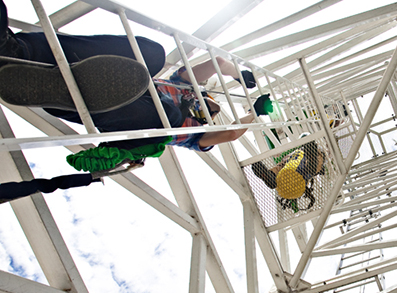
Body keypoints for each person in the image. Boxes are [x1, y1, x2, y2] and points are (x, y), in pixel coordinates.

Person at [0, 0, 271, 171]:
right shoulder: (181, 86)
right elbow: (218, 62)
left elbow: (230, 134)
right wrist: (238, 74)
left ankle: (56, 88)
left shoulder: (193, 136)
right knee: (153, 55)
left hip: (115, 112)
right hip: (109, 78)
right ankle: (18, 51)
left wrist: (255, 114)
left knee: (170, 118)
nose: (210, 108)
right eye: (210, 103)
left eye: (212, 112)